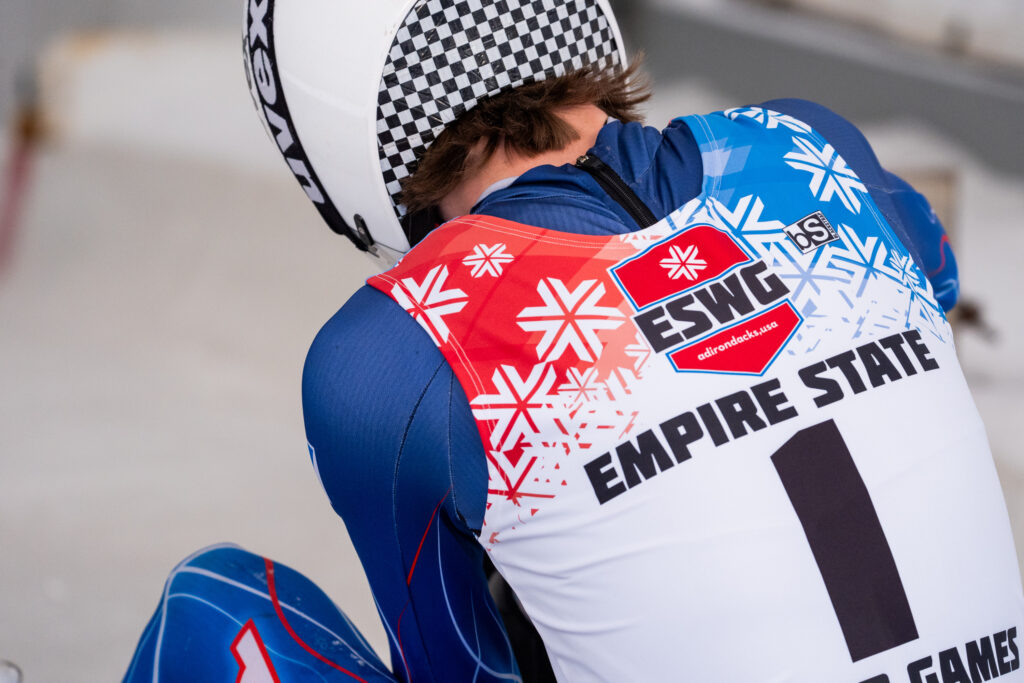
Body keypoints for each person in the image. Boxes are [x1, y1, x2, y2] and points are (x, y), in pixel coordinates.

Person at [125, 0, 1024, 681]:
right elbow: (933, 281)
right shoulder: (808, 142)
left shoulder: (390, 349)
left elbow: (463, 670)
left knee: (214, 608)